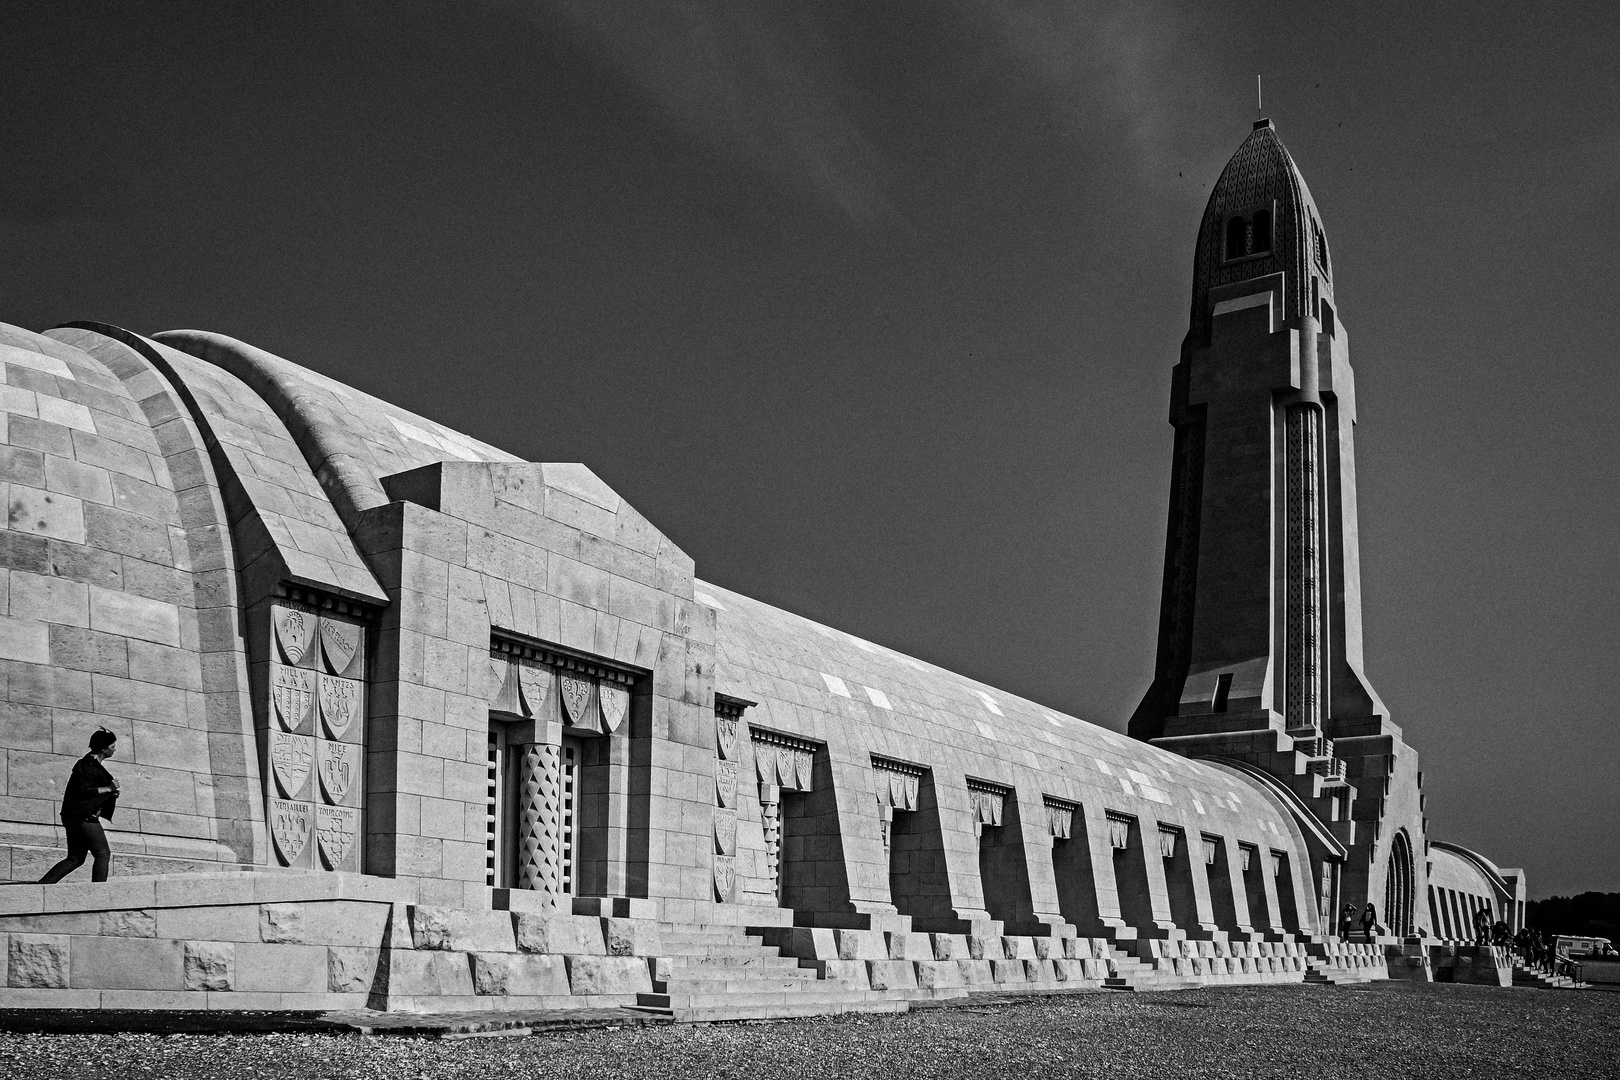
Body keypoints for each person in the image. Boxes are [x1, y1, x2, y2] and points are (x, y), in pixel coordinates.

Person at [37, 729, 120, 884]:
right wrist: (109, 789)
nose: (115, 749)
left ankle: (42, 885)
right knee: (102, 854)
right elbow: (81, 791)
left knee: (75, 858)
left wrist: (109, 794)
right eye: (112, 746)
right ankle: (98, 895)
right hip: (83, 817)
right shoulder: (88, 765)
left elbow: (90, 790)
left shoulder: (89, 764)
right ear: (103, 748)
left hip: (74, 816)